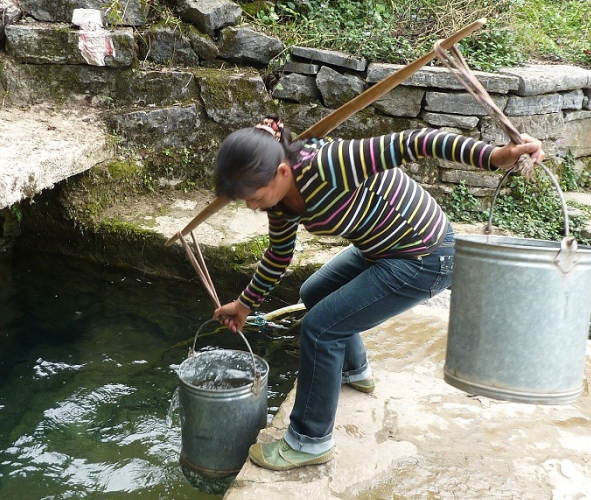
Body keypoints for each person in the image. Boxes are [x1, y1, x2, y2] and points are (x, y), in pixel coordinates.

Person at [213, 116, 545, 471]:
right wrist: (245, 304)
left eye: (255, 197)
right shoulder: (278, 202)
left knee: (321, 328)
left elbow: (415, 142)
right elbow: (279, 255)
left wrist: (494, 157)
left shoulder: (329, 163)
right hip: (381, 250)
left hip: (425, 255)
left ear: (281, 171)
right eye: (244, 201)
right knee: (315, 291)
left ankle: (310, 442)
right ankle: (354, 371)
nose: (252, 206)